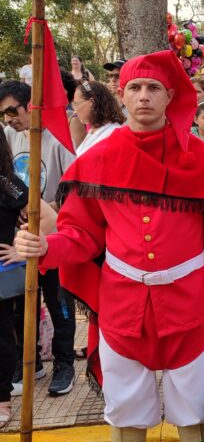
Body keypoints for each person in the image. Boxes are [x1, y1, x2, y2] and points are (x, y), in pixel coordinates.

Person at [14, 50, 204, 442]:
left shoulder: (202, 161)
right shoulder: (98, 158)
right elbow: (81, 233)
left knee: (194, 411)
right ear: (121, 95)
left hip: (188, 301)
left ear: (170, 96)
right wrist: (45, 248)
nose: (143, 96)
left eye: (153, 88)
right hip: (122, 305)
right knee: (125, 414)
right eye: (134, 88)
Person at [0, 80, 77, 397]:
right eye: (3, 115)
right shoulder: (8, 135)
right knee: (20, 305)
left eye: (11, 111)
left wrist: (47, 210)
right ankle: (28, 363)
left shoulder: (58, 137)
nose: (8, 120)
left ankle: (64, 364)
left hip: (53, 234)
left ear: (30, 105)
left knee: (58, 301)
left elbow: (74, 186)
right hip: (20, 240)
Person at [0, 129, 58, 428]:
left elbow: (48, 217)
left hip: (2, 276)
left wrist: (22, 249)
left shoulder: (5, 182)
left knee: (1, 337)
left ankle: (2, 400)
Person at [72, 81, 125, 157]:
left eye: (76, 104)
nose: (75, 111)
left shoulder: (113, 133)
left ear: (92, 102)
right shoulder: (93, 131)